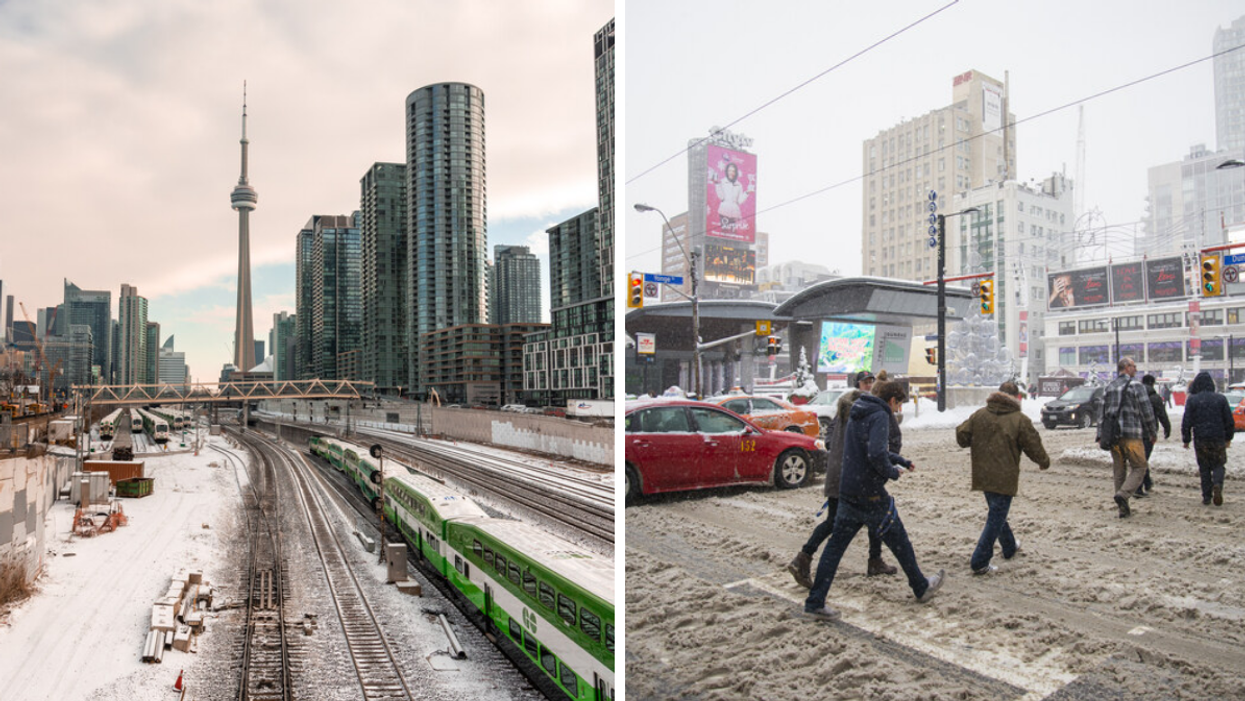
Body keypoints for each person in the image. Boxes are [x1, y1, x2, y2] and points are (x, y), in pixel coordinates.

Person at [801, 380, 944, 620]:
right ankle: (921, 586)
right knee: (899, 538)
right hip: (870, 492)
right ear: (892, 401)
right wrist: (891, 471)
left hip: (849, 490)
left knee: (835, 547)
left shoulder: (856, 409)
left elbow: (868, 447)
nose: (898, 410)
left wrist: (899, 459)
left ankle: (815, 602)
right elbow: (876, 452)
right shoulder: (879, 414)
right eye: (898, 405)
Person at [787, 371, 896, 588]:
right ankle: (805, 560)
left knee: (861, 519)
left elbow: (832, 436)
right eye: (866, 383)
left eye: (871, 383)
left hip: (843, 474)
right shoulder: (860, 410)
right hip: (853, 477)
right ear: (859, 385)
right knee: (845, 522)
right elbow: (869, 448)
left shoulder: (848, 408)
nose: (869, 386)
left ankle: (873, 559)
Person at [956, 381, 1050, 575]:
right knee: (996, 516)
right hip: (1004, 476)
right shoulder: (1019, 419)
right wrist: (1043, 461)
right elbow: (1033, 444)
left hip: (982, 474)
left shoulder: (980, 415)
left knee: (996, 512)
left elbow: (962, 436)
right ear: (1016, 397)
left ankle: (1009, 546)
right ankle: (979, 560)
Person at [1098, 357, 1157, 518]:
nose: (1136, 369)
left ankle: (1122, 508)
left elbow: (1101, 413)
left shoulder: (1109, 387)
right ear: (1126, 368)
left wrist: (1100, 434)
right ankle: (1123, 495)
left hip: (1114, 436)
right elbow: (1147, 411)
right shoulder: (1136, 386)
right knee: (1139, 467)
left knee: (1119, 470)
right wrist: (1152, 431)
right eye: (1133, 366)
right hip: (1132, 434)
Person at [1180, 371, 1234, 506]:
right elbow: (1229, 421)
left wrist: (1186, 439)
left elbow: (1187, 421)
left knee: (1204, 468)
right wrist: (1228, 437)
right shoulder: (1220, 399)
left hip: (1201, 438)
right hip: (1218, 437)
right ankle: (1217, 484)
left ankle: (1207, 497)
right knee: (1219, 464)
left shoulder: (1192, 400)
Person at [1136, 374, 1171, 496]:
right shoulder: (1155, 398)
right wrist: (1167, 428)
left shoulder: (1135, 395)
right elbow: (1162, 415)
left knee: (1140, 459)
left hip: (1135, 432)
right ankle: (1138, 488)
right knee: (1142, 461)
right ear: (1152, 383)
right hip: (1148, 433)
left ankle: (1147, 482)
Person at [714, 162, 752, 234]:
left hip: (735, 213)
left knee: (733, 233)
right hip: (724, 211)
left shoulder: (739, 185)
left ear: (736, 172)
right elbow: (721, 197)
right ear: (727, 171)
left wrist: (747, 193)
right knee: (724, 233)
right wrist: (717, 184)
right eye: (729, 170)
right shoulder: (722, 181)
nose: (731, 173)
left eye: (733, 171)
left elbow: (739, 201)